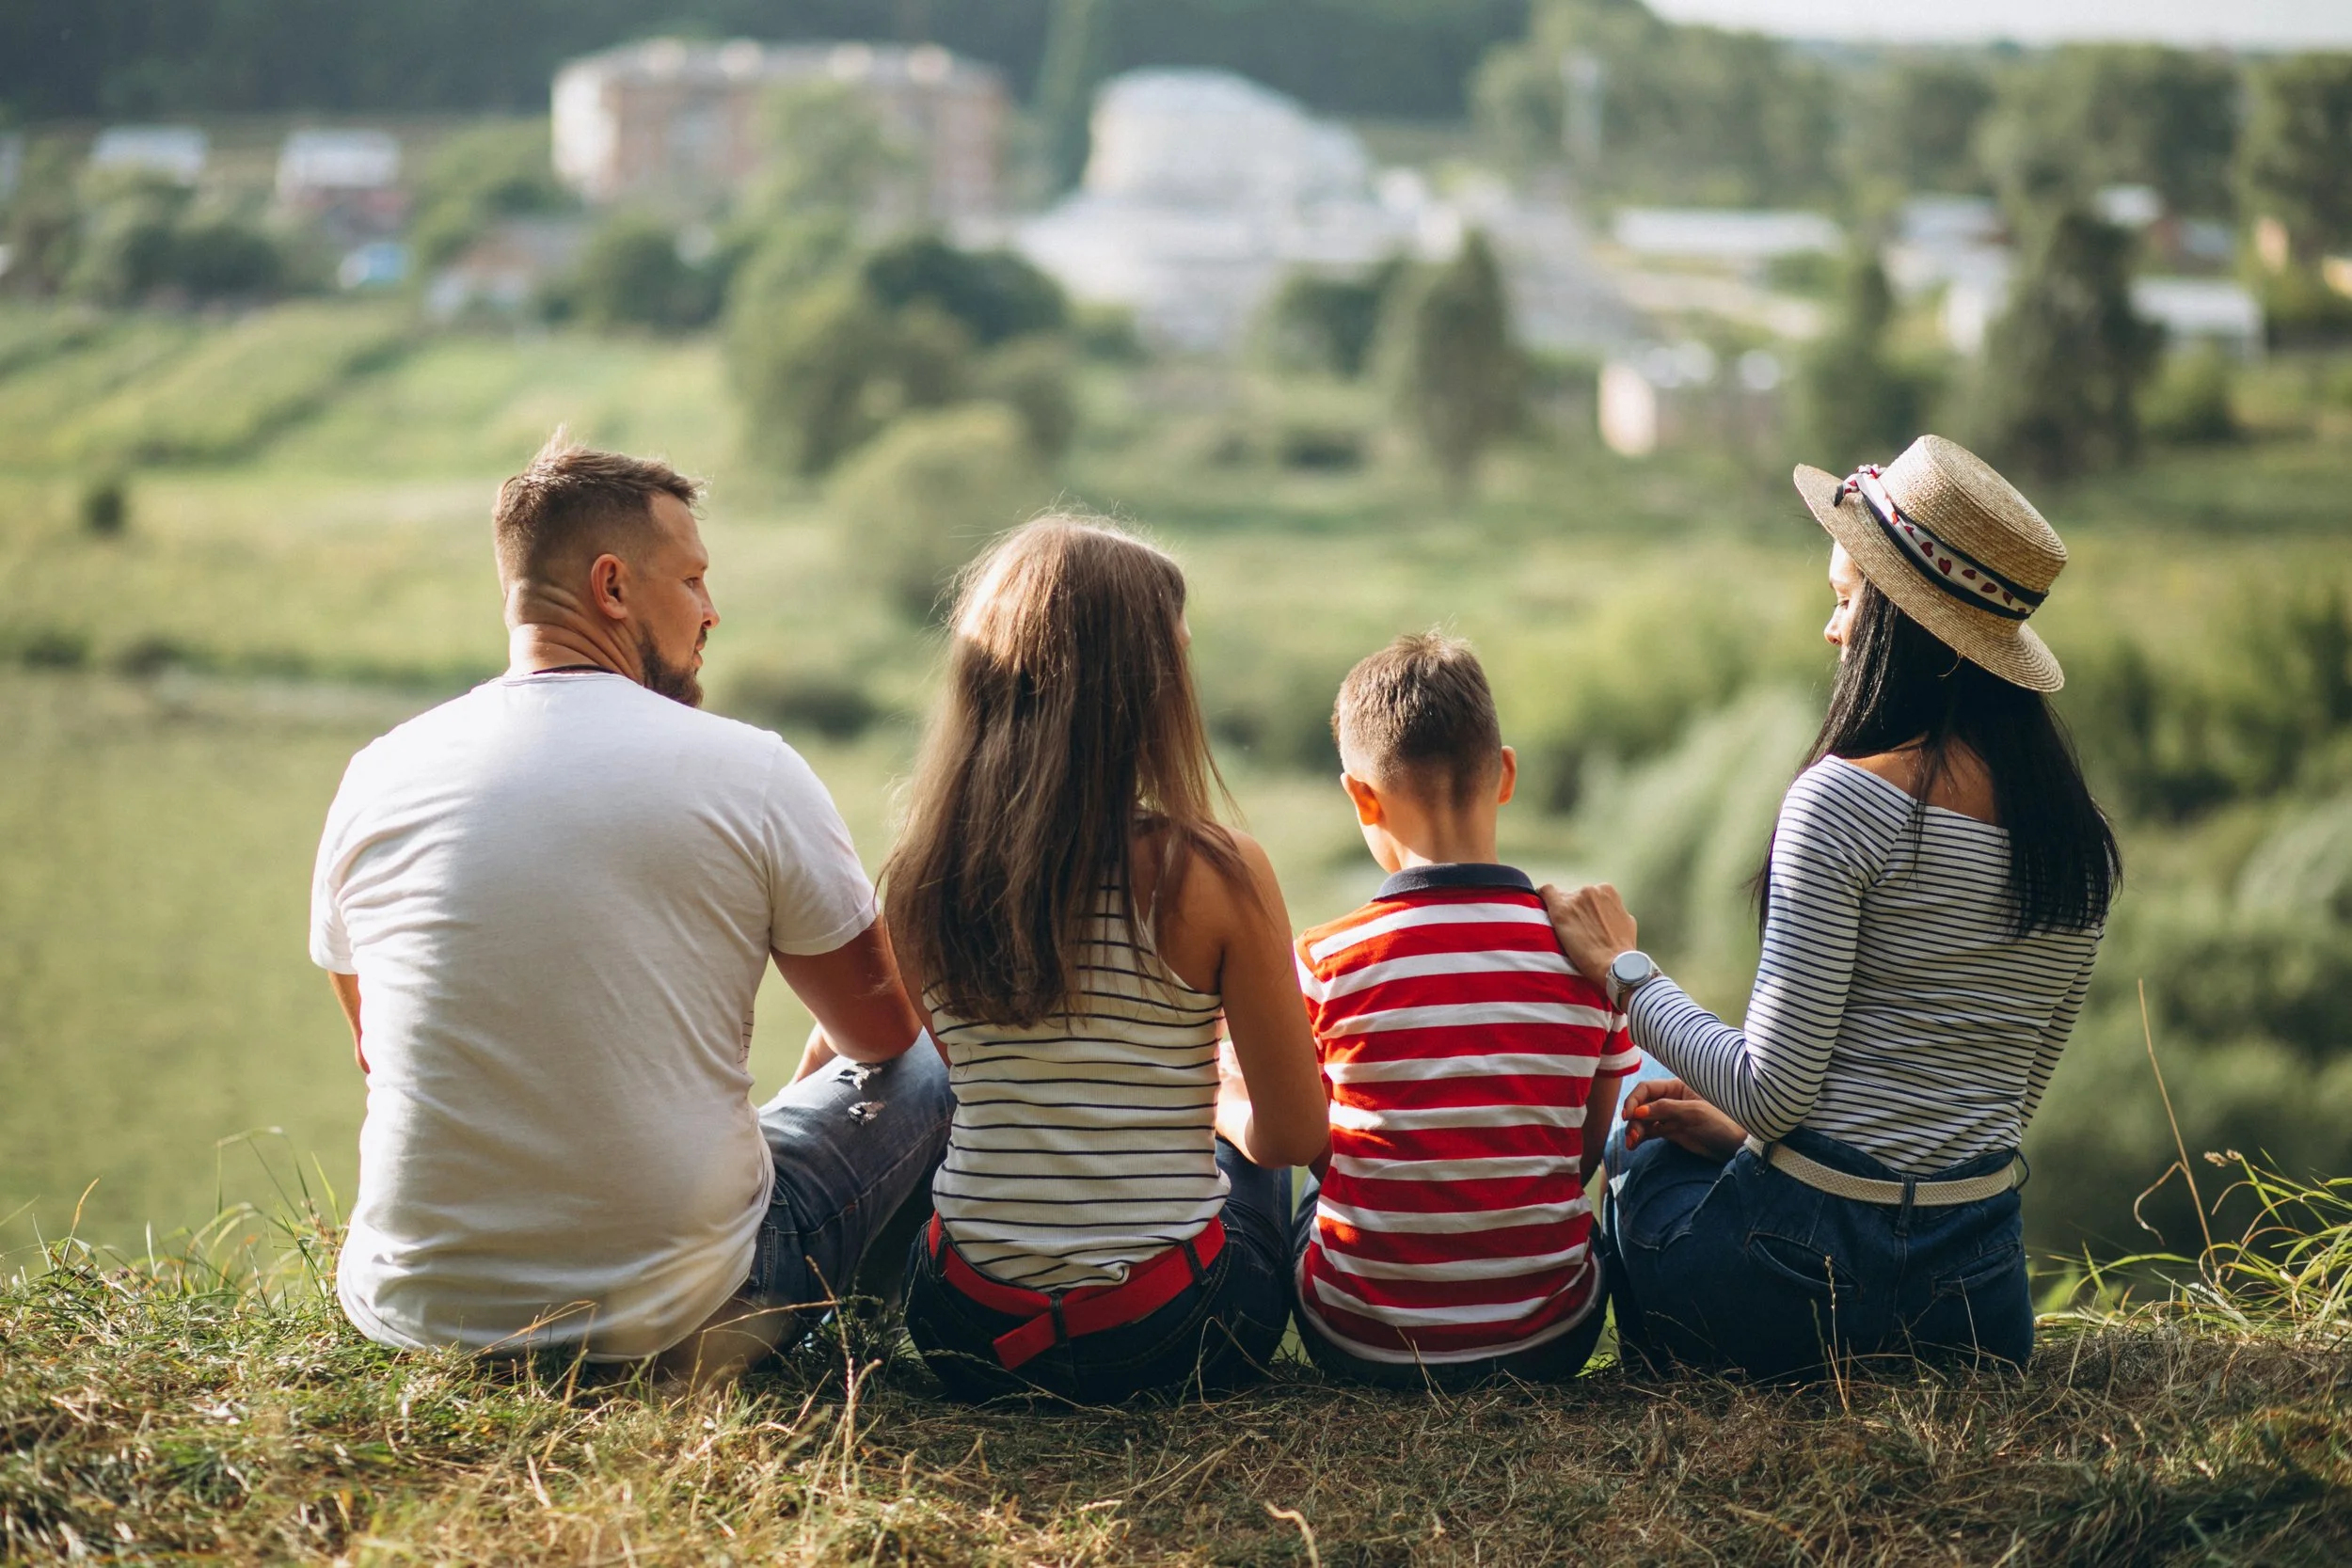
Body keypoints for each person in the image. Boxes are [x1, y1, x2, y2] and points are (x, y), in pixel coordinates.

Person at [310, 436, 951, 1384]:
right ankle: (903, 1338)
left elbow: (376, 1047)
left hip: (414, 1309)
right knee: (935, 1063)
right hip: (681, 1314)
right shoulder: (751, 768)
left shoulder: (376, 774)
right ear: (612, 587)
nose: (711, 610)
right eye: (691, 579)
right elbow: (885, 1032)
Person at [1545, 435, 2120, 1380]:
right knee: (1697, 1121)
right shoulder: (2078, 847)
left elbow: (1775, 1090)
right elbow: (1990, 1106)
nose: (1833, 628)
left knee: (1638, 1150)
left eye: (1845, 596)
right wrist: (1745, 1133)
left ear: (1898, 620)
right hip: (1975, 1304)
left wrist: (1623, 970)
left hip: (1788, 1291)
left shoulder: (1844, 800)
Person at [887, 515, 1328, 1403]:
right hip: (1171, 1332)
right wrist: (1225, 1105)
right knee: (1249, 1157)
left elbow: (973, 1077)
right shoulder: (1210, 870)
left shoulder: (916, 882)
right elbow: (1296, 1136)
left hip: (964, 1328)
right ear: (1140, 690)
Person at [1288, 633, 1637, 1390]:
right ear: (1505, 772)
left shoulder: (1321, 962)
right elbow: (1580, 1154)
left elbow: (1322, 1149)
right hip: (1553, 1337)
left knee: (1318, 1194)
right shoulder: (1589, 954)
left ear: (1361, 795)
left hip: (1361, 1342)